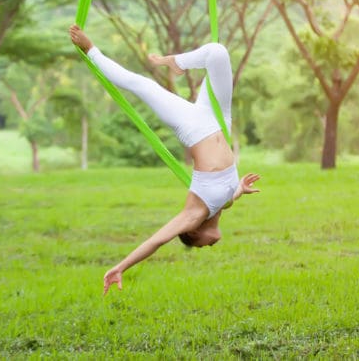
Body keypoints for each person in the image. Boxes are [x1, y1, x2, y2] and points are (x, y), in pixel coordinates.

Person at [69, 25, 260, 295]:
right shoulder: (224, 204)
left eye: (199, 245)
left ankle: (92, 51)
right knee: (217, 53)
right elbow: (233, 195)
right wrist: (242, 186)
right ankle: (177, 63)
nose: (207, 246)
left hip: (194, 127)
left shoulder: (194, 214)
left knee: (142, 85)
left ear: (194, 231)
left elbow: (156, 241)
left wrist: (121, 266)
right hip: (220, 120)